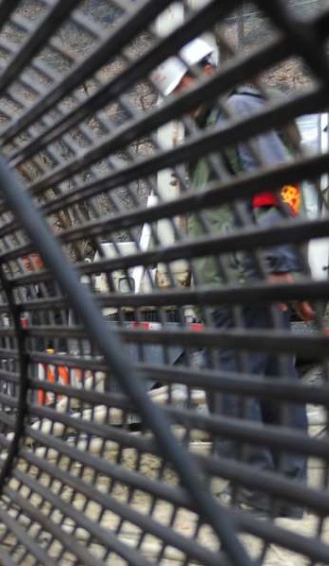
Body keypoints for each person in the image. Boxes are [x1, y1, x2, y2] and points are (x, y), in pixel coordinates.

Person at [153, 38, 314, 518]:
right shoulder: (209, 125)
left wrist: (282, 266)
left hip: (244, 275)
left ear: (202, 71)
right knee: (268, 383)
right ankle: (282, 494)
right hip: (236, 275)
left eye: (180, 87)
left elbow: (271, 190)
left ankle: (255, 492)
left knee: (236, 385)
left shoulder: (236, 110)